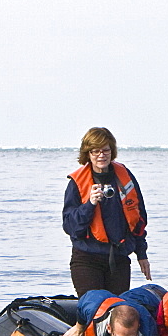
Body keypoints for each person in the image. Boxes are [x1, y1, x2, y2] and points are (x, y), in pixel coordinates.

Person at [63, 127, 151, 297]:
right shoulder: (76, 183)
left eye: (105, 150)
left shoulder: (125, 177)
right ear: (88, 153)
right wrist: (90, 204)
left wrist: (142, 253)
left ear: (112, 151)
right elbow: (70, 226)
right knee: (94, 308)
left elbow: (139, 218)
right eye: (95, 151)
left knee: (118, 311)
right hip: (87, 258)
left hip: (119, 258)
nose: (101, 155)